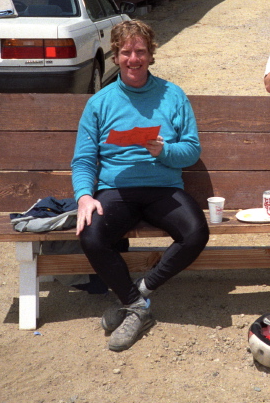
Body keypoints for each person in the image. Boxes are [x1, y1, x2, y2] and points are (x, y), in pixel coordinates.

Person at [71, 19, 209, 351]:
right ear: (116, 56)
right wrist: (84, 196)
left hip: (164, 187)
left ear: (151, 55)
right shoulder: (100, 102)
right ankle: (136, 307)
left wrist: (165, 151)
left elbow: (192, 150)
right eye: (126, 52)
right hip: (116, 190)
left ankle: (139, 293)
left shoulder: (173, 95)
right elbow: (84, 159)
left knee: (196, 233)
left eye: (141, 52)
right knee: (91, 235)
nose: (134, 59)